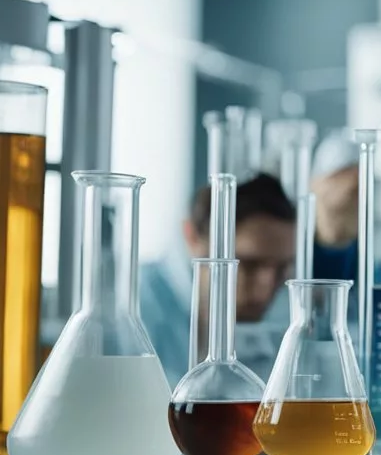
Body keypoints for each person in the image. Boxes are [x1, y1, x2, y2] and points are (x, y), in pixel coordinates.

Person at [139, 129, 360, 387]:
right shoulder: (138, 301)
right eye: (250, 264)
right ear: (192, 236)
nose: (268, 286)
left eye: (281, 268)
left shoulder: (286, 311)